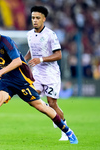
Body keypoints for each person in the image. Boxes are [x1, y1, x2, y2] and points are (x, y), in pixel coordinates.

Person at [0, 20, 78, 144]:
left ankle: (68, 131)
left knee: (40, 107)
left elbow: (17, 62)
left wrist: (0, 72)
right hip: (6, 80)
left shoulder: (6, 42)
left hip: (21, 80)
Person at [24, 6, 69, 141]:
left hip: (50, 73)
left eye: (38, 18)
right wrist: (22, 60)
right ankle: (51, 113)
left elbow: (59, 54)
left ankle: (65, 131)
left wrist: (41, 59)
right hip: (37, 72)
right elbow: (32, 50)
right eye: (33, 18)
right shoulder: (29, 35)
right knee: (32, 96)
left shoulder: (51, 35)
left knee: (52, 103)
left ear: (44, 19)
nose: (35, 20)